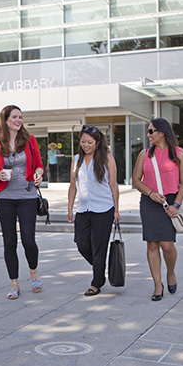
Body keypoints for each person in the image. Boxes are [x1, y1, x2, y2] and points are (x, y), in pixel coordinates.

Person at [0, 105, 45, 300]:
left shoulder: (30, 141)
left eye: (20, 117)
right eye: (14, 117)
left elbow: (39, 166)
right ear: (5, 121)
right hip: (5, 198)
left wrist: (38, 174)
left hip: (27, 196)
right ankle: (14, 284)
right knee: (9, 241)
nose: (18, 120)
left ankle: (34, 272)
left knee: (28, 239)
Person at [132, 118, 183, 301]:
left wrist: (176, 205)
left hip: (171, 202)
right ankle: (157, 284)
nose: (148, 135)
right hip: (150, 202)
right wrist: (150, 194)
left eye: (151, 131)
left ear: (162, 132)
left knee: (167, 245)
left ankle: (170, 272)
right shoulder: (144, 154)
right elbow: (136, 180)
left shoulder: (180, 154)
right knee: (152, 244)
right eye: (148, 131)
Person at [67, 125, 120, 296]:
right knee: (81, 243)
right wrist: (70, 208)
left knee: (99, 246)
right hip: (83, 209)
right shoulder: (76, 160)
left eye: (89, 142)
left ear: (97, 143)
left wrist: (117, 209)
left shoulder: (107, 158)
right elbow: (73, 185)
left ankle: (96, 282)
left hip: (104, 208)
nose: (85, 145)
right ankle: (100, 269)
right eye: (83, 141)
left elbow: (113, 185)